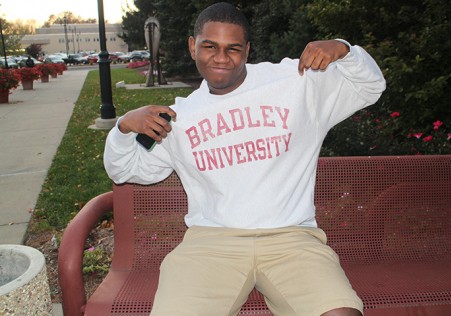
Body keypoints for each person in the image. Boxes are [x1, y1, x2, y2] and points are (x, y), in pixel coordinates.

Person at [104, 2, 385, 315]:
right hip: (210, 246)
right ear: (192, 46)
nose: (221, 58)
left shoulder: (298, 82)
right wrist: (123, 127)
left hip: (291, 240)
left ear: (247, 50)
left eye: (233, 48)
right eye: (210, 46)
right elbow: (124, 170)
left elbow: (371, 86)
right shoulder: (177, 119)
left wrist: (345, 50)